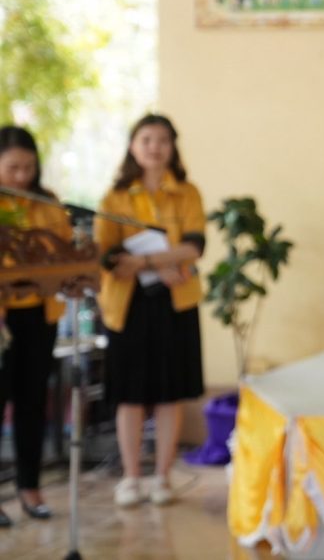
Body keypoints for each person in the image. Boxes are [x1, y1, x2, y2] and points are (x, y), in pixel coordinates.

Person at [94, 114, 205, 507]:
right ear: (132, 145)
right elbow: (107, 254)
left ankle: (162, 477)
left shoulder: (187, 193)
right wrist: (159, 264)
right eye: (146, 139)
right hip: (128, 306)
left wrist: (144, 261)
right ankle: (131, 477)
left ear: (173, 147)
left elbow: (194, 246)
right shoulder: (115, 197)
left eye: (162, 140)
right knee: (130, 395)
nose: (154, 147)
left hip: (176, 301)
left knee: (170, 393)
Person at [0, 126, 71, 527]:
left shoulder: (48, 204)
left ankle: (30, 487)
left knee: (31, 402)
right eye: (12, 168)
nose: (21, 176)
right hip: (2, 316)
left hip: (39, 315)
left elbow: (65, 251)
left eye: (28, 167)